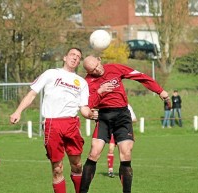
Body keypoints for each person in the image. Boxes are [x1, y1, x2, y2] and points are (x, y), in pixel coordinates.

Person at [9, 47, 97, 193]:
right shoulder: (51, 74)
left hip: (71, 124)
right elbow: (32, 94)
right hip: (52, 124)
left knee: (77, 165)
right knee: (57, 168)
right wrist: (18, 111)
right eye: (72, 54)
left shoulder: (81, 82)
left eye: (78, 57)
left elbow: (84, 108)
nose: (75, 58)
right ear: (65, 57)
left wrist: (90, 114)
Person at [80, 56, 169, 193]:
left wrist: (160, 91)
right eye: (93, 70)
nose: (97, 70)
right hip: (104, 116)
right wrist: (100, 91)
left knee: (126, 153)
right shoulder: (87, 82)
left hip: (122, 115)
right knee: (94, 152)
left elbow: (139, 76)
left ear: (99, 59)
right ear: (88, 71)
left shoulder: (115, 68)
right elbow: (87, 105)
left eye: (97, 66)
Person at [107, 104, 137, 178]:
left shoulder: (128, 106)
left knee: (124, 151)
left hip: (124, 131)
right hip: (113, 131)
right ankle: (110, 170)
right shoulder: (111, 104)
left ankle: (124, 169)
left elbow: (134, 119)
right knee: (111, 149)